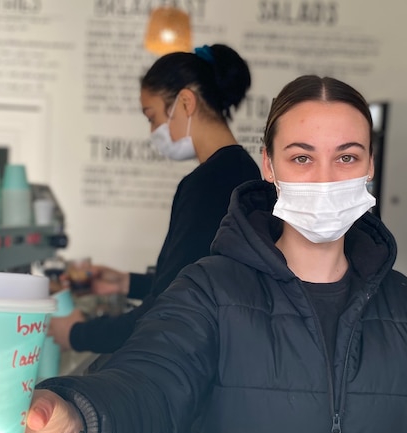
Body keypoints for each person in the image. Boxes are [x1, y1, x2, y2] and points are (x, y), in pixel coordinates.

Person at [0, 75, 407, 433]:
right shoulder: (211, 291)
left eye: (347, 157)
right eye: (301, 158)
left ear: (370, 166)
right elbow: (148, 388)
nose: (325, 177)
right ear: (269, 168)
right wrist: (72, 423)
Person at [50, 43, 261, 353]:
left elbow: (168, 308)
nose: (153, 130)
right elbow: (198, 281)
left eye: (152, 116)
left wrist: (78, 334)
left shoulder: (205, 185)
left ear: (186, 102)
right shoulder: (243, 170)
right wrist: (127, 283)